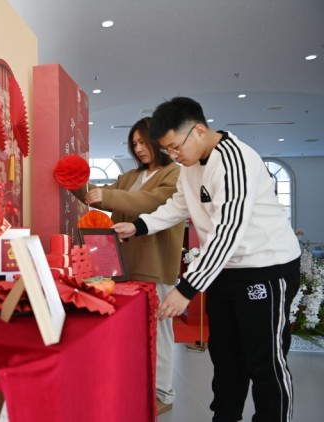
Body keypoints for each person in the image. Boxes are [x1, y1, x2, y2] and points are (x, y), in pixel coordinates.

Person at [113, 97, 301, 422]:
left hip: (265, 269)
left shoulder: (235, 160)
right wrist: (139, 226)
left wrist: (186, 288)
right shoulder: (189, 168)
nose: (174, 156)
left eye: (175, 147)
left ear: (199, 130)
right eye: (168, 150)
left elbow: (229, 231)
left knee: (265, 362)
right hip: (224, 271)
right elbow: (178, 205)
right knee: (226, 360)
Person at [70, 117, 184, 415]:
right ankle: (139, 386)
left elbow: (149, 202)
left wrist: (107, 195)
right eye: (134, 144)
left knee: (160, 331)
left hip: (155, 265)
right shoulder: (131, 175)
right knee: (133, 331)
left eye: (143, 142)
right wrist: (74, 182)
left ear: (157, 141)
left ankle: (163, 393)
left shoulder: (174, 174)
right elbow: (102, 197)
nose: (139, 148)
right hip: (122, 265)